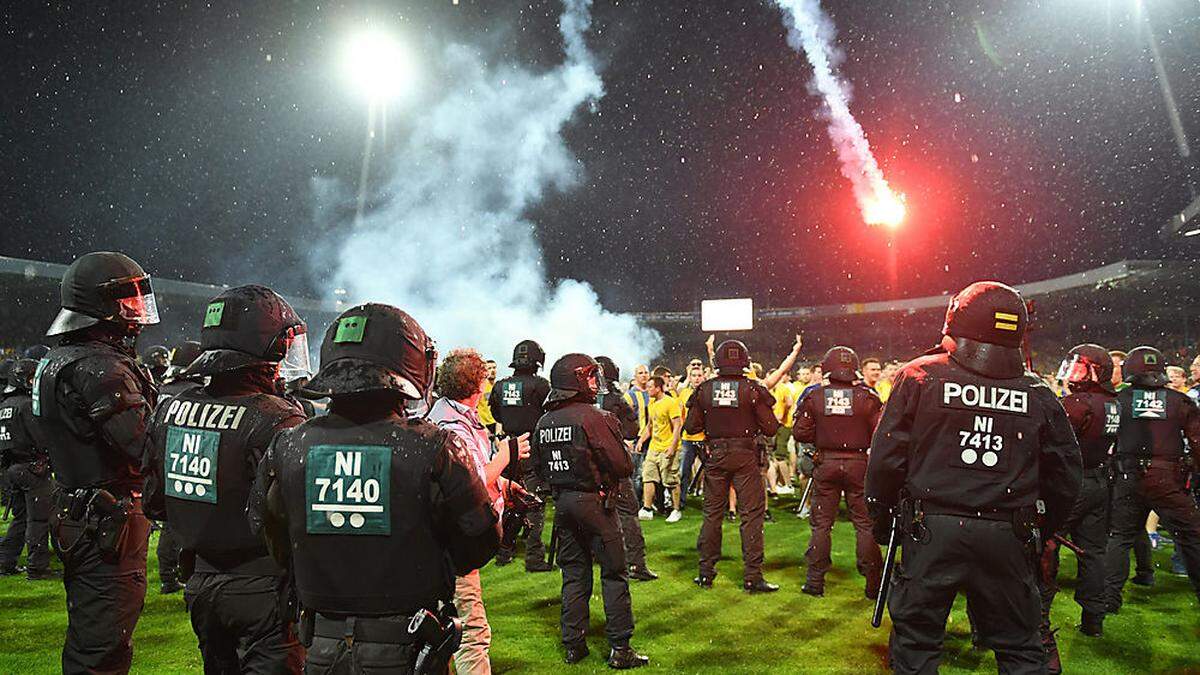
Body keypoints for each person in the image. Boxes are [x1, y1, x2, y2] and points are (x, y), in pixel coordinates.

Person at [249, 303, 500, 674]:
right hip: (406, 645)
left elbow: (267, 532)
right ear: (410, 364)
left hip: (322, 645)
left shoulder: (288, 444)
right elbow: (479, 541)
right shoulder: (434, 446)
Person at [866, 281, 1081, 674]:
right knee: (1020, 647)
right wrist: (1040, 529)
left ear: (955, 320)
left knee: (916, 646)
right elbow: (1066, 476)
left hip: (930, 529)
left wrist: (883, 524)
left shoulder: (918, 376)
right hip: (1007, 532)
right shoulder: (1038, 392)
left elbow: (884, 463)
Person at [143, 284, 310, 673]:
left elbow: (154, 501)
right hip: (263, 585)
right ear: (269, 347)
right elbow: (294, 519)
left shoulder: (172, 407)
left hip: (200, 582)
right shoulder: (277, 417)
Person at [33, 251, 161, 673]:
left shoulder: (58, 359)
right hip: (107, 522)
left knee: (92, 638)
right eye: (127, 299)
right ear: (98, 305)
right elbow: (143, 444)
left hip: (78, 510)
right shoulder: (100, 367)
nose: (136, 310)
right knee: (102, 649)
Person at [532, 353, 648, 669]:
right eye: (590, 376)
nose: (595, 383)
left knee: (573, 574)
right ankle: (621, 648)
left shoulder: (544, 422)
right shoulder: (595, 418)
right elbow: (623, 465)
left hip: (564, 506)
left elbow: (539, 469)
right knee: (613, 573)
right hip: (596, 504)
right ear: (576, 381)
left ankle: (574, 644)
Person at [428, 348, 532, 675]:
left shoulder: (448, 415)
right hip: (454, 544)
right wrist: (506, 455)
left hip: (440, 540)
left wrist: (503, 485)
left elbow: (466, 474)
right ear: (479, 384)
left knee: (437, 630)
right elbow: (467, 484)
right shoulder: (451, 425)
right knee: (471, 632)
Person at [1037, 344, 1117, 672]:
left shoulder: (1076, 403)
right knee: (1094, 552)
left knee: (1045, 545)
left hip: (1073, 483)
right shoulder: (1114, 402)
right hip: (1100, 482)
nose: (1071, 370)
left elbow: (1051, 444)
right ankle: (1093, 620)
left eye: (1078, 365)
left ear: (1094, 370)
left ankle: (1038, 618)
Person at [1102, 345, 1200, 612]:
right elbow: (1197, 440)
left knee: (1120, 536)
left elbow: (1104, 438)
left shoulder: (1118, 401)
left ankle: (1110, 599)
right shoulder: (1180, 401)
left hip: (1128, 475)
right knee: (1192, 537)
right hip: (1169, 479)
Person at [685, 339, 781, 593]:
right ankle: (752, 576)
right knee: (751, 516)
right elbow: (771, 427)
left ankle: (705, 573)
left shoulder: (705, 389)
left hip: (715, 455)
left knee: (712, 515)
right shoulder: (752, 389)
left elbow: (691, 427)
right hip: (745, 455)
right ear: (745, 362)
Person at [793, 346, 883, 599]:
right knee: (864, 525)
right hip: (858, 463)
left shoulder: (815, 396)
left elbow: (800, 432)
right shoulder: (867, 396)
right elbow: (881, 432)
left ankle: (815, 582)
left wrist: (823, 435)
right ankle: (873, 584)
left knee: (821, 525)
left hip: (827, 462)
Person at [488, 340, 553, 571]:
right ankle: (534, 558)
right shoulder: (541, 385)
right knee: (533, 502)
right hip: (532, 448)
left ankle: (503, 551)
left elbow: (495, 413)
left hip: (508, 447)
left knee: (507, 500)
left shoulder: (500, 385)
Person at [595, 356, 657, 582]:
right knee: (627, 512)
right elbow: (632, 429)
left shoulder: (580, 401)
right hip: (613, 465)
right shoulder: (616, 399)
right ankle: (636, 565)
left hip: (587, 468)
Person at [153, 338, 203, 594]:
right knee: (181, 522)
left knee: (170, 522)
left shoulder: (166, 387)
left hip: (163, 455)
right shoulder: (194, 391)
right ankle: (177, 574)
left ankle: (167, 576)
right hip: (184, 455)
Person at [0, 358, 54, 580]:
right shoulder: (26, 405)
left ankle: (5, 562)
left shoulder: (4, 405)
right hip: (32, 468)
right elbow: (41, 439)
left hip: (12, 469)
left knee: (21, 518)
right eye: (32, 378)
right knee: (39, 519)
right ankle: (37, 568)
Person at [635, 376, 683, 523]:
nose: (648, 389)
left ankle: (676, 510)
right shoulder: (652, 404)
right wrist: (641, 440)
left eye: (650, 387)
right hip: (654, 447)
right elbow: (650, 426)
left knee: (671, 479)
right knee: (648, 476)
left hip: (668, 447)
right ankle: (647, 508)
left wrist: (672, 446)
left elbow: (677, 425)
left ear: (658, 388)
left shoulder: (670, 403)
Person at [677, 365, 707, 507]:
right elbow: (681, 416)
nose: (696, 378)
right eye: (693, 375)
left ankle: (711, 501)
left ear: (704, 377)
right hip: (687, 439)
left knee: (711, 472)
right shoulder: (684, 393)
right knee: (684, 472)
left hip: (704, 439)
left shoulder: (708, 393)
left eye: (699, 375)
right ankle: (681, 502)